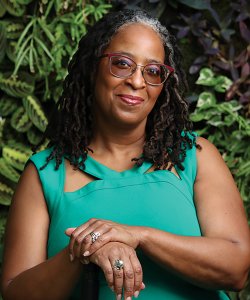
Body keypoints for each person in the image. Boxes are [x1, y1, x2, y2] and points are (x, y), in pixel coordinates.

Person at [1, 8, 250, 300]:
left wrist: (138, 236)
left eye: (153, 71)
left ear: (163, 86)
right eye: (122, 64)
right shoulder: (45, 174)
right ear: (93, 68)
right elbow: (15, 293)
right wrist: (84, 249)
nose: (137, 81)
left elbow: (237, 268)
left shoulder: (194, 155)